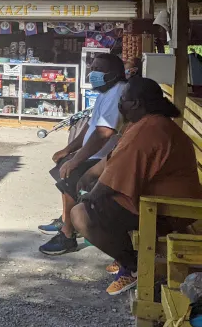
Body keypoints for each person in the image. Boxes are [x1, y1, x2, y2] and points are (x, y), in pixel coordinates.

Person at [70, 77, 202, 295]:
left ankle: (134, 267)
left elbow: (115, 178)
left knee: (82, 215)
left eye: (123, 99)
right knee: (96, 202)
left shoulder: (149, 128)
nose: (120, 104)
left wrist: (89, 197)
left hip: (170, 209)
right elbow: (114, 159)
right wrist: (88, 175)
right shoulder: (145, 122)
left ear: (137, 103)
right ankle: (125, 254)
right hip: (162, 202)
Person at [39, 53, 127, 255]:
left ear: (113, 74)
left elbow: (104, 133)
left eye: (98, 69)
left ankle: (68, 235)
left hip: (106, 159)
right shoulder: (105, 91)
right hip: (95, 155)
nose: (92, 73)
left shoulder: (117, 93)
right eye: (92, 68)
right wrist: (69, 150)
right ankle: (66, 218)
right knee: (64, 165)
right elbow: (90, 125)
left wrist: (77, 159)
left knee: (71, 173)